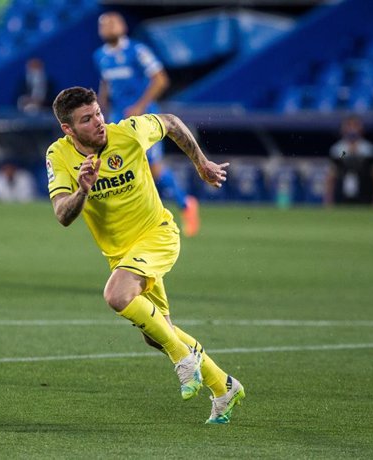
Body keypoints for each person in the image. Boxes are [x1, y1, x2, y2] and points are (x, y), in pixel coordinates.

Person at [46, 87, 244, 424]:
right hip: (122, 254)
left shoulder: (129, 132)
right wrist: (83, 189)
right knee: (157, 335)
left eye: (97, 113)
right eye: (86, 119)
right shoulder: (58, 155)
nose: (98, 122)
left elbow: (170, 123)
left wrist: (201, 163)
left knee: (116, 294)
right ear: (68, 129)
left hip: (157, 235)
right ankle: (223, 386)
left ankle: (184, 360)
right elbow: (63, 215)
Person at [94, 11, 200, 237]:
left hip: (143, 118)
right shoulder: (99, 56)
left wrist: (141, 105)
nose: (108, 27)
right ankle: (126, 215)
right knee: (114, 163)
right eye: (103, 24)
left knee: (153, 165)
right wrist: (100, 108)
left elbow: (161, 79)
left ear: (122, 26)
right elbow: (105, 84)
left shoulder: (137, 50)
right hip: (117, 118)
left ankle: (186, 204)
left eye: (112, 22)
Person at [326, 114, 373, 205]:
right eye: (349, 126)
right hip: (342, 194)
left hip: (365, 193)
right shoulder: (339, 148)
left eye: (355, 125)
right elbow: (332, 173)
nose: (352, 129)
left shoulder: (368, 149)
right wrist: (328, 199)